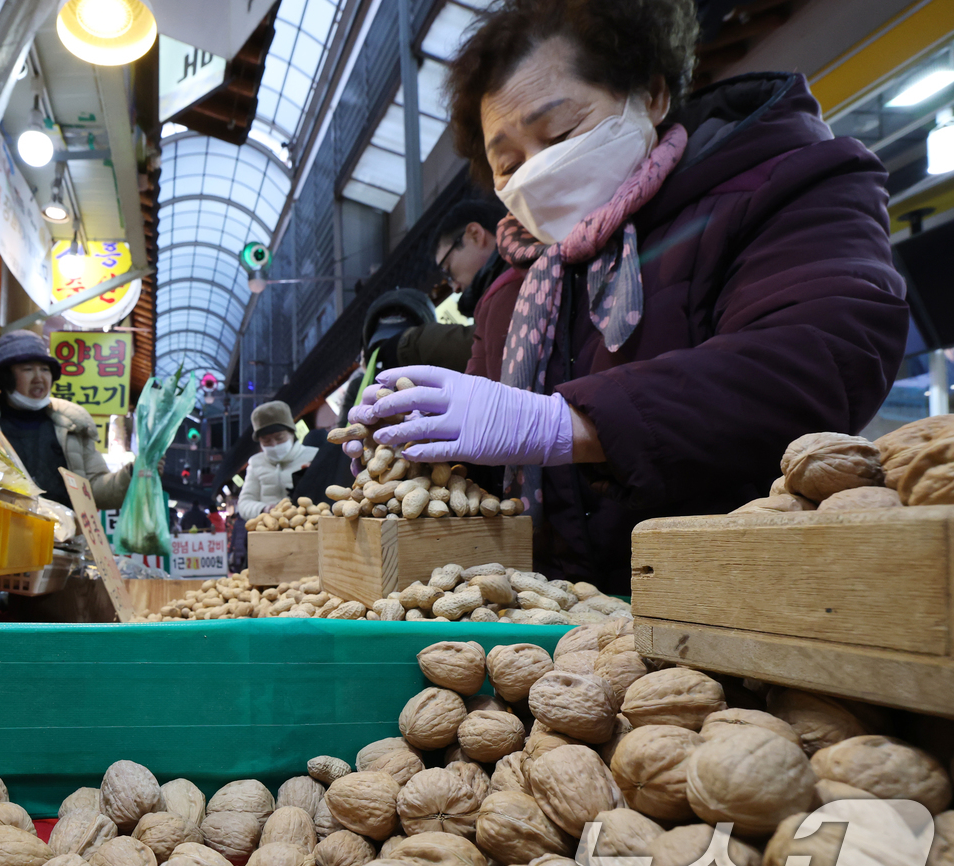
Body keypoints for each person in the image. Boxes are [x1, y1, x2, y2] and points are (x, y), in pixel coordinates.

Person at [345, 0, 907, 593]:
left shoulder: (784, 183)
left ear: (652, 95)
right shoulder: (509, 290)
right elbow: (489, 478)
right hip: (558, 625)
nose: (536, 171)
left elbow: (821, 356)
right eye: (507, 163)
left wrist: (563, 423)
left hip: (743, 599)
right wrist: (425, 452)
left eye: (560, 133)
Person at [0, 330, 132, 510]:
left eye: (45, 369)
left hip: (63, 528)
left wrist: (132, 473)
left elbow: (96, 491)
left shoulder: (73, 425)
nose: (39, 378)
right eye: (28, 369)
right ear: (5, 377)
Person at [362, 200, 510, 373]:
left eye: (448, 271)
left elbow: (492, 345)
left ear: (475, 235)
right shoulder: (507, 282)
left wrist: (410, 345)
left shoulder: (517, 275)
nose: (455, 288)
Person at [237, 401, 318, 520]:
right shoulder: (256, 463)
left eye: (279, 438)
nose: (274, 444)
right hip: (269, 527)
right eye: (266, 440)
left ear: (292, 432)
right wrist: (265, 509)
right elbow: (244, 503)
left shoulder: (314, 456)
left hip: (307, 524)